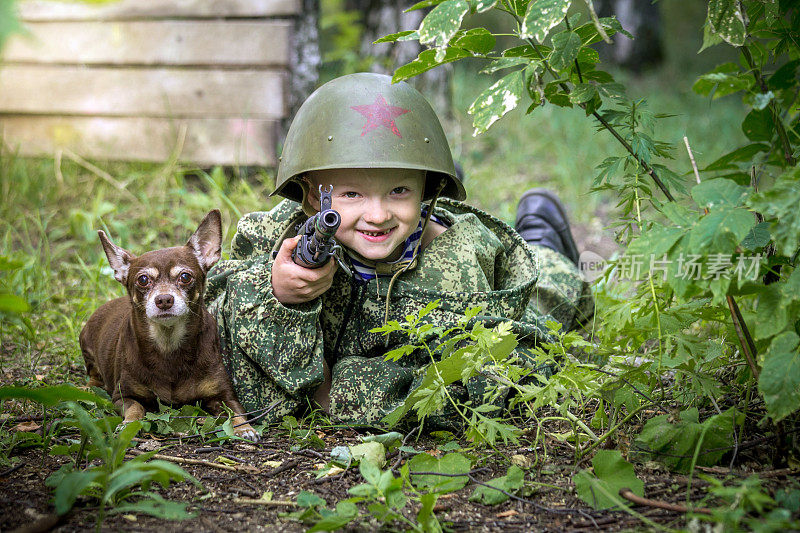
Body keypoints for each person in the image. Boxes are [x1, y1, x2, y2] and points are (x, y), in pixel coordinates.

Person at [205, 72, 592, 428]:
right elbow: (208, 312)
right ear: (311, 196)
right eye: (351, 193)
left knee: (550, 296)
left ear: (427, 190)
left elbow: (495, 374)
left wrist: (338, 392)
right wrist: (275, 293)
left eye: (399, 190)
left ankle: (543, 238)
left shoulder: (458, 262)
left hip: (520, 292)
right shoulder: (276, 234)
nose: (377, 215)